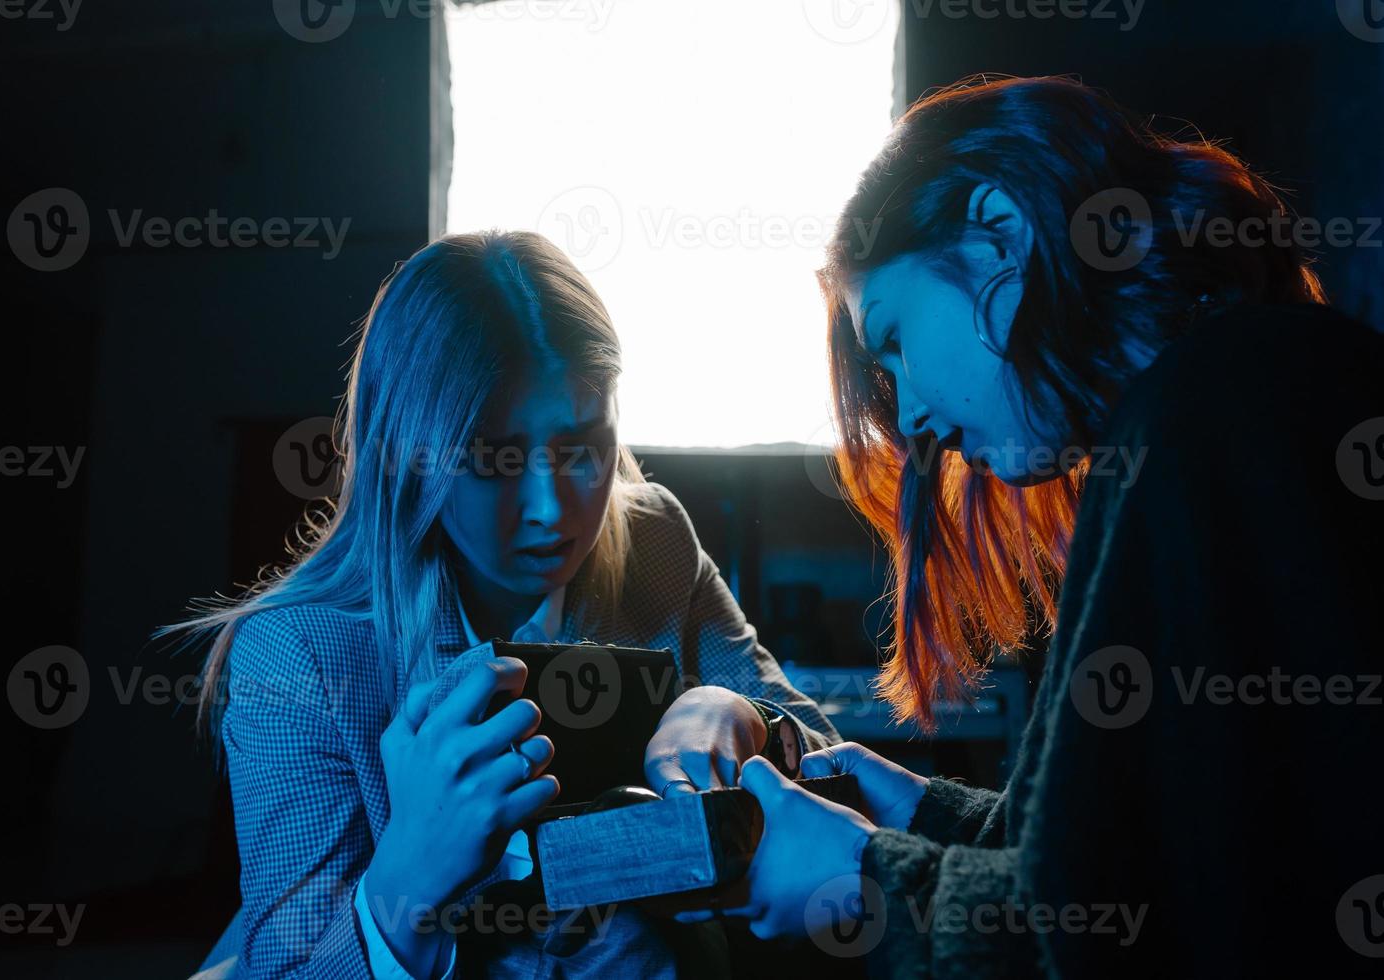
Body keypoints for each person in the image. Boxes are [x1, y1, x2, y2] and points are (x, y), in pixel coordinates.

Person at [686, 76, 1384, 977]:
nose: (915, 420)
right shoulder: (1236, 392)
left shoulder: (1209, 414)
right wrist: (919, 811)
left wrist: (863, 879)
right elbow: (1158, 859)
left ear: (998, 231)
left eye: (893, 338)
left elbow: (1140, 946)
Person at [158, 230, 838, 978]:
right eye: (493, 459)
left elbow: (838, 774)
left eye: (583, 448)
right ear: (408, 456)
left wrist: (752, 720)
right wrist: (404, 887)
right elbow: (285, 965)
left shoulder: (654, 539)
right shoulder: (298, 653)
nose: (550, 508)